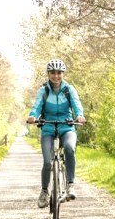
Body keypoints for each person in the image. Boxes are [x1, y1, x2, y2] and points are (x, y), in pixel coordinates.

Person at [26, 58, 85, 206]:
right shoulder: (44, 90)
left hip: (67, 126)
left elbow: (76, 104)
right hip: (48, 127)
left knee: (70, 149)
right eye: (52, 73)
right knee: (47, 162)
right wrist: (33, 116)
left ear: (63, 74)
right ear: (48, 74)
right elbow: (37, 105)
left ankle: (70, 184)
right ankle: (44, 192)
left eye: (59, 73)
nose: (56, 76)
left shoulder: (69, 89)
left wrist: (79, 115)